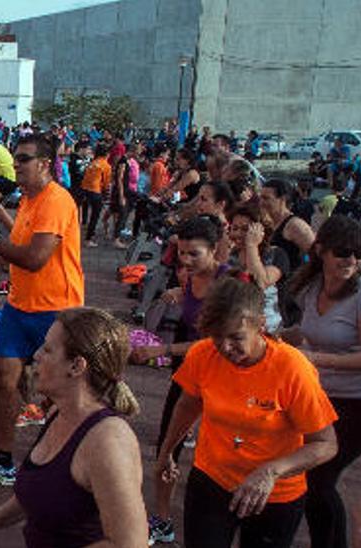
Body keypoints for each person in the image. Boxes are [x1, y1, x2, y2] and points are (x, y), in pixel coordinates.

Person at [157, 278, 338, 548]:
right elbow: (188, 404)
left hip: (275, 497)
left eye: (235, 337)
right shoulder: (203, 354)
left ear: (261, 325)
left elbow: (326, 444)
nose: (225, 347)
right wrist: (167, 451)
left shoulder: (292, 369)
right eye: (216, 336)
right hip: (212, 480)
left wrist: (272, 471)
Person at [0, 308, 147, 547]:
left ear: (76, 366)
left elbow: (129, 544)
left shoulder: (108, 441)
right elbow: (44, 492)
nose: (36, 355)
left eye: (48, 349)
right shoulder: (58, 414)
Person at [0, 134, 84, 490]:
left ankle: (58, 464)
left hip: (56, 310)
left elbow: (35, 257)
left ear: (45, 163)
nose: (16, 164)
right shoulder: (31, 200)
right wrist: (2, 254)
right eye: (16, 158)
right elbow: (22, 240)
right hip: (19, 306)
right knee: (2, 378)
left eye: (23, 159)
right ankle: (3, 460)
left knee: (58, 393)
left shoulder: (56, 201)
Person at [132, 215, 232, 543]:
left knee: (220, 456)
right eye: (183, 254)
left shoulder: (228, 284)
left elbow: (220, 341)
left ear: (215, 250)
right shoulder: (190, 278)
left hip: (225, 377)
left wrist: (163, 348)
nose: (186, 261)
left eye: (194, 254)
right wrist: (178, 291)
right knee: (168, 444)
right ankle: (162, 518)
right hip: (189, 373)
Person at [284, 215, 361, 548]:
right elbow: (307, 332)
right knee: (313, 479)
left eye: (358, 253)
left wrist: (317, 359)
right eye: (342, 252)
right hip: (325, 396)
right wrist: (275, 339)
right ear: (321, 250)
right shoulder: (311, 288)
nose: (351, 260)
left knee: (318, 477)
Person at [228, 202, 288, 334]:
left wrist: (251, 245)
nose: (238, 234)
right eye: (235, 228)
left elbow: (261, 282)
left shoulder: (275, 254)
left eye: (245, 229)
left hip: (268, 329)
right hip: (235, 328)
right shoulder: (231, 256)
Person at [261, 178, 316, 274]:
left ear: (282, 199)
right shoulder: (268, 222)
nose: (261, 202)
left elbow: (316, 254)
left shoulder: (295, 225)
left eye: (266, 198)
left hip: (288, 282)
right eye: (260, 198)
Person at [79, 143, 112, 247]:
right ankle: (88, 239)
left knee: (86, 211)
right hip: (95, 191)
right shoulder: (106, 165)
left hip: (85, 189)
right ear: (107, 154)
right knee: (95, 215)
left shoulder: (93, 163)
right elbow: (107, 183)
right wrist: (106, 193)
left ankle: (84, 227)